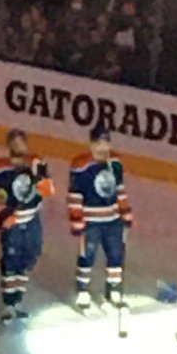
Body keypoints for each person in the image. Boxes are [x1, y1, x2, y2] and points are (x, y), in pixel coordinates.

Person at [0, 128, 54, 322]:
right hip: (11, 223)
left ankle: (18, 298)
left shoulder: (37, 163)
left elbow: (49, 191)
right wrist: (2, 213)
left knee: (30, 257)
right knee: (10, 262)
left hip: (31, 220)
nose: (18, 146)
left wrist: (41, 180)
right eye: (14, 143)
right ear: (9, 146)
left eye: (21, 143)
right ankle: (9, 304)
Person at [68, 126, 133, 311]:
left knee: (116, 254)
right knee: (87, 255)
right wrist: (76, 218)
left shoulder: (115, 162)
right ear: (91, 144)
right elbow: (75, 194)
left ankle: (113, 289)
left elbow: (119, 189)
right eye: (98, 143)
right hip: (90, 221)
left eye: (105, 142)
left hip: (113, 219)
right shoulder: (80, 165)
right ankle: (82, 289)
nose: (102, 147)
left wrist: (125, 210)